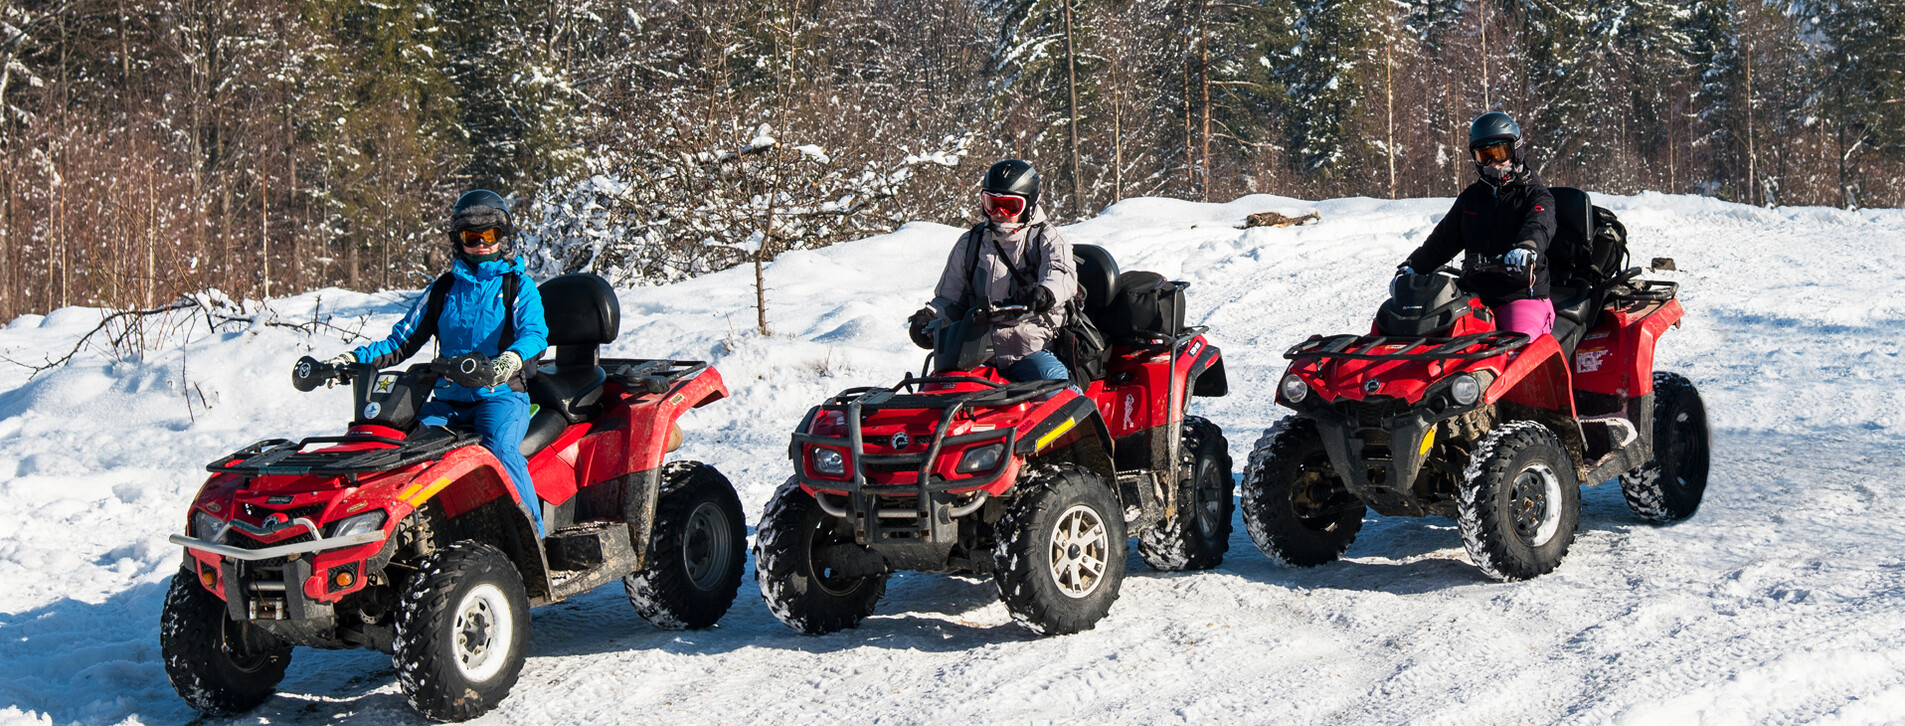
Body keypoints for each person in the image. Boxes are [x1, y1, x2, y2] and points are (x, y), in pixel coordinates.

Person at [319, 190, 551, 536]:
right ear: (459, 241)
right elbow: (402, 340)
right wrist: (352, 360)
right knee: (404, 450)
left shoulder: (517, 286)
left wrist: (507, 362)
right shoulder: (444, 289)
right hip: (447, 400)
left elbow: (534, 335)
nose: (482, 244)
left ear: (505, 237)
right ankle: (413, 534)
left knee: (500, 448)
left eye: (491, 235)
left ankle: (533, 536)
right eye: (472, 237)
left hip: (500, 396)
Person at [909, 159, 1080, 383]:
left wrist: (1044, 292)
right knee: (937, 392)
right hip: (975, 352)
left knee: (1055, 389)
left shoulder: (1045, 239)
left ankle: (1083, 415)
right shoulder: (972, 242)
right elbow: (949, 299)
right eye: (992, 203)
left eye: (1010, 206)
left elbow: (1062, 273)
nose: (999, 213)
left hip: (1030, 348)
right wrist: (930, 318)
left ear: (1028, 205)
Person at [1399, 111, 1558, 339]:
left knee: (1518, 345)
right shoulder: (1471, 199)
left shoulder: (1535, 196)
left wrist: (1527, 247)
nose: (1493, 163)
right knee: (1433, 340)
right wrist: (1412, 266)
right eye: (1485, 156)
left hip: (1521, 294)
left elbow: (1539, 225)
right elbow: (1442, 241)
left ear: (1516, 151)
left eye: (1500, 153)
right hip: (1474, 297)